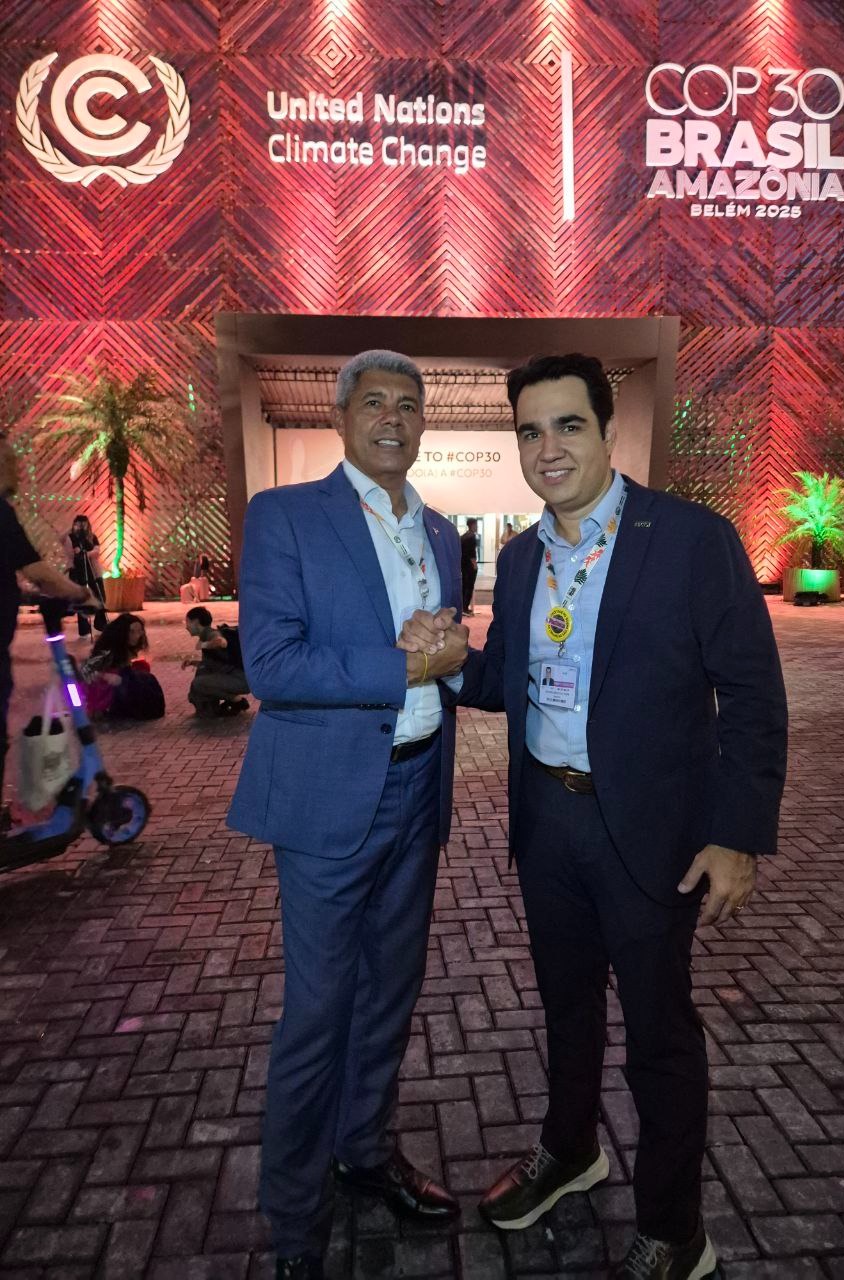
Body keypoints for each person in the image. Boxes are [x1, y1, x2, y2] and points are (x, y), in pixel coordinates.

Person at [399, 353, 788, 1280]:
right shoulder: (522, 558)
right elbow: (508, 681)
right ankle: (570, 1150)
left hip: (650, 831)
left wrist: (736, 834)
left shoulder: (690, 540)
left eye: (568, 425)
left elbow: (753, 694)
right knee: (567, 1009)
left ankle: (675, 1231)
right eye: (530, 431)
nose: (548, 448)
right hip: (549, 821)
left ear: (609, 431)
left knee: (659, 1033)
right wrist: (448, 662)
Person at [227, 350, 468, 1280]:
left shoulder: (439, 530)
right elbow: (272, 665)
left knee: (390, 997)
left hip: (418, 785)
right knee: (318, 1012)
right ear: (339, 417)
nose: (393, 418)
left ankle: (363, 1152)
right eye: (374, 402)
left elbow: (443, 648)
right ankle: (295, 1221)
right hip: (330, 800)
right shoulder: (285, 516)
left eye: (409, 404)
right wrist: (407, 664)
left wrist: (444, 648)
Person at [0, 437, 100, 822]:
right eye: (10, 459)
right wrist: (82, 594)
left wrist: (22, 593)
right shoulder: (1, 513)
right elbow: (39, 571)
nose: (18, 467)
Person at [80, 613, 165, 721]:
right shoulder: (108, 650)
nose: (137, 635)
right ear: (123, 633)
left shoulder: (127, 647)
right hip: (107, 687)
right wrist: (106, 676)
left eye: (139, 631)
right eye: (132, 632)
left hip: (120, 680)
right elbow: (87, 670)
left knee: (143, 670)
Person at [183, 606, 249, 717]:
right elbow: (213, 664)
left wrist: (204, 645)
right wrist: (193, 662)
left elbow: (221, 642)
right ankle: (216, 706)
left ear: (196, 622)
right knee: (202, 673)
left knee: (198, 683)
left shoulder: (211, 634)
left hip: (241, 680)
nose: (186, 627)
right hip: (239, 678)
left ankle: (237, 700)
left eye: (187, 622)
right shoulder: (205, 635)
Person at [61, 514, 108, 636]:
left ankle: (100, 623)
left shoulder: (92, 537)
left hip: (93, 571)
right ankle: (84, 628)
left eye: (84, 523)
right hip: (77, 571)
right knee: (81, 599)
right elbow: (63, 542)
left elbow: (96, 551)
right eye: (78, 524)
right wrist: (71, 530)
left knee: (100, 596)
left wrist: (85, 554)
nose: (82, 526)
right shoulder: (71, 537)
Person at [460, 516, 479, 615]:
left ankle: (463, 607)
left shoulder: (463, 536)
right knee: (469, 586)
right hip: (469, 565)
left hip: (463, 564)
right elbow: (472, 553)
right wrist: (474, 564)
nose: (477, 527)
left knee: (464, 586)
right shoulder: (471, 537)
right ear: (472, 525)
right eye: (476, 525)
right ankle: (465, 608)